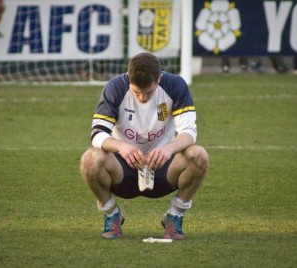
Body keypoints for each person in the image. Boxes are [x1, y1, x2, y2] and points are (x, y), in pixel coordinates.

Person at [80, 52, 209, 240]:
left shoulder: (175, 85)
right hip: (123, 170)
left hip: (163, 169)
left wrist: (168, 149)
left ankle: (175, 216)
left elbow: (189, 132)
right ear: (128, 77)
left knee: (199, 156)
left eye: (148, 92)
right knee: (90, 160)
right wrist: (121, 147)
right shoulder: (115, 87)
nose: (141, 98)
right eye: (136, 92)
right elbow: (97, 133)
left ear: (159, 78)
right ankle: (111, 215)